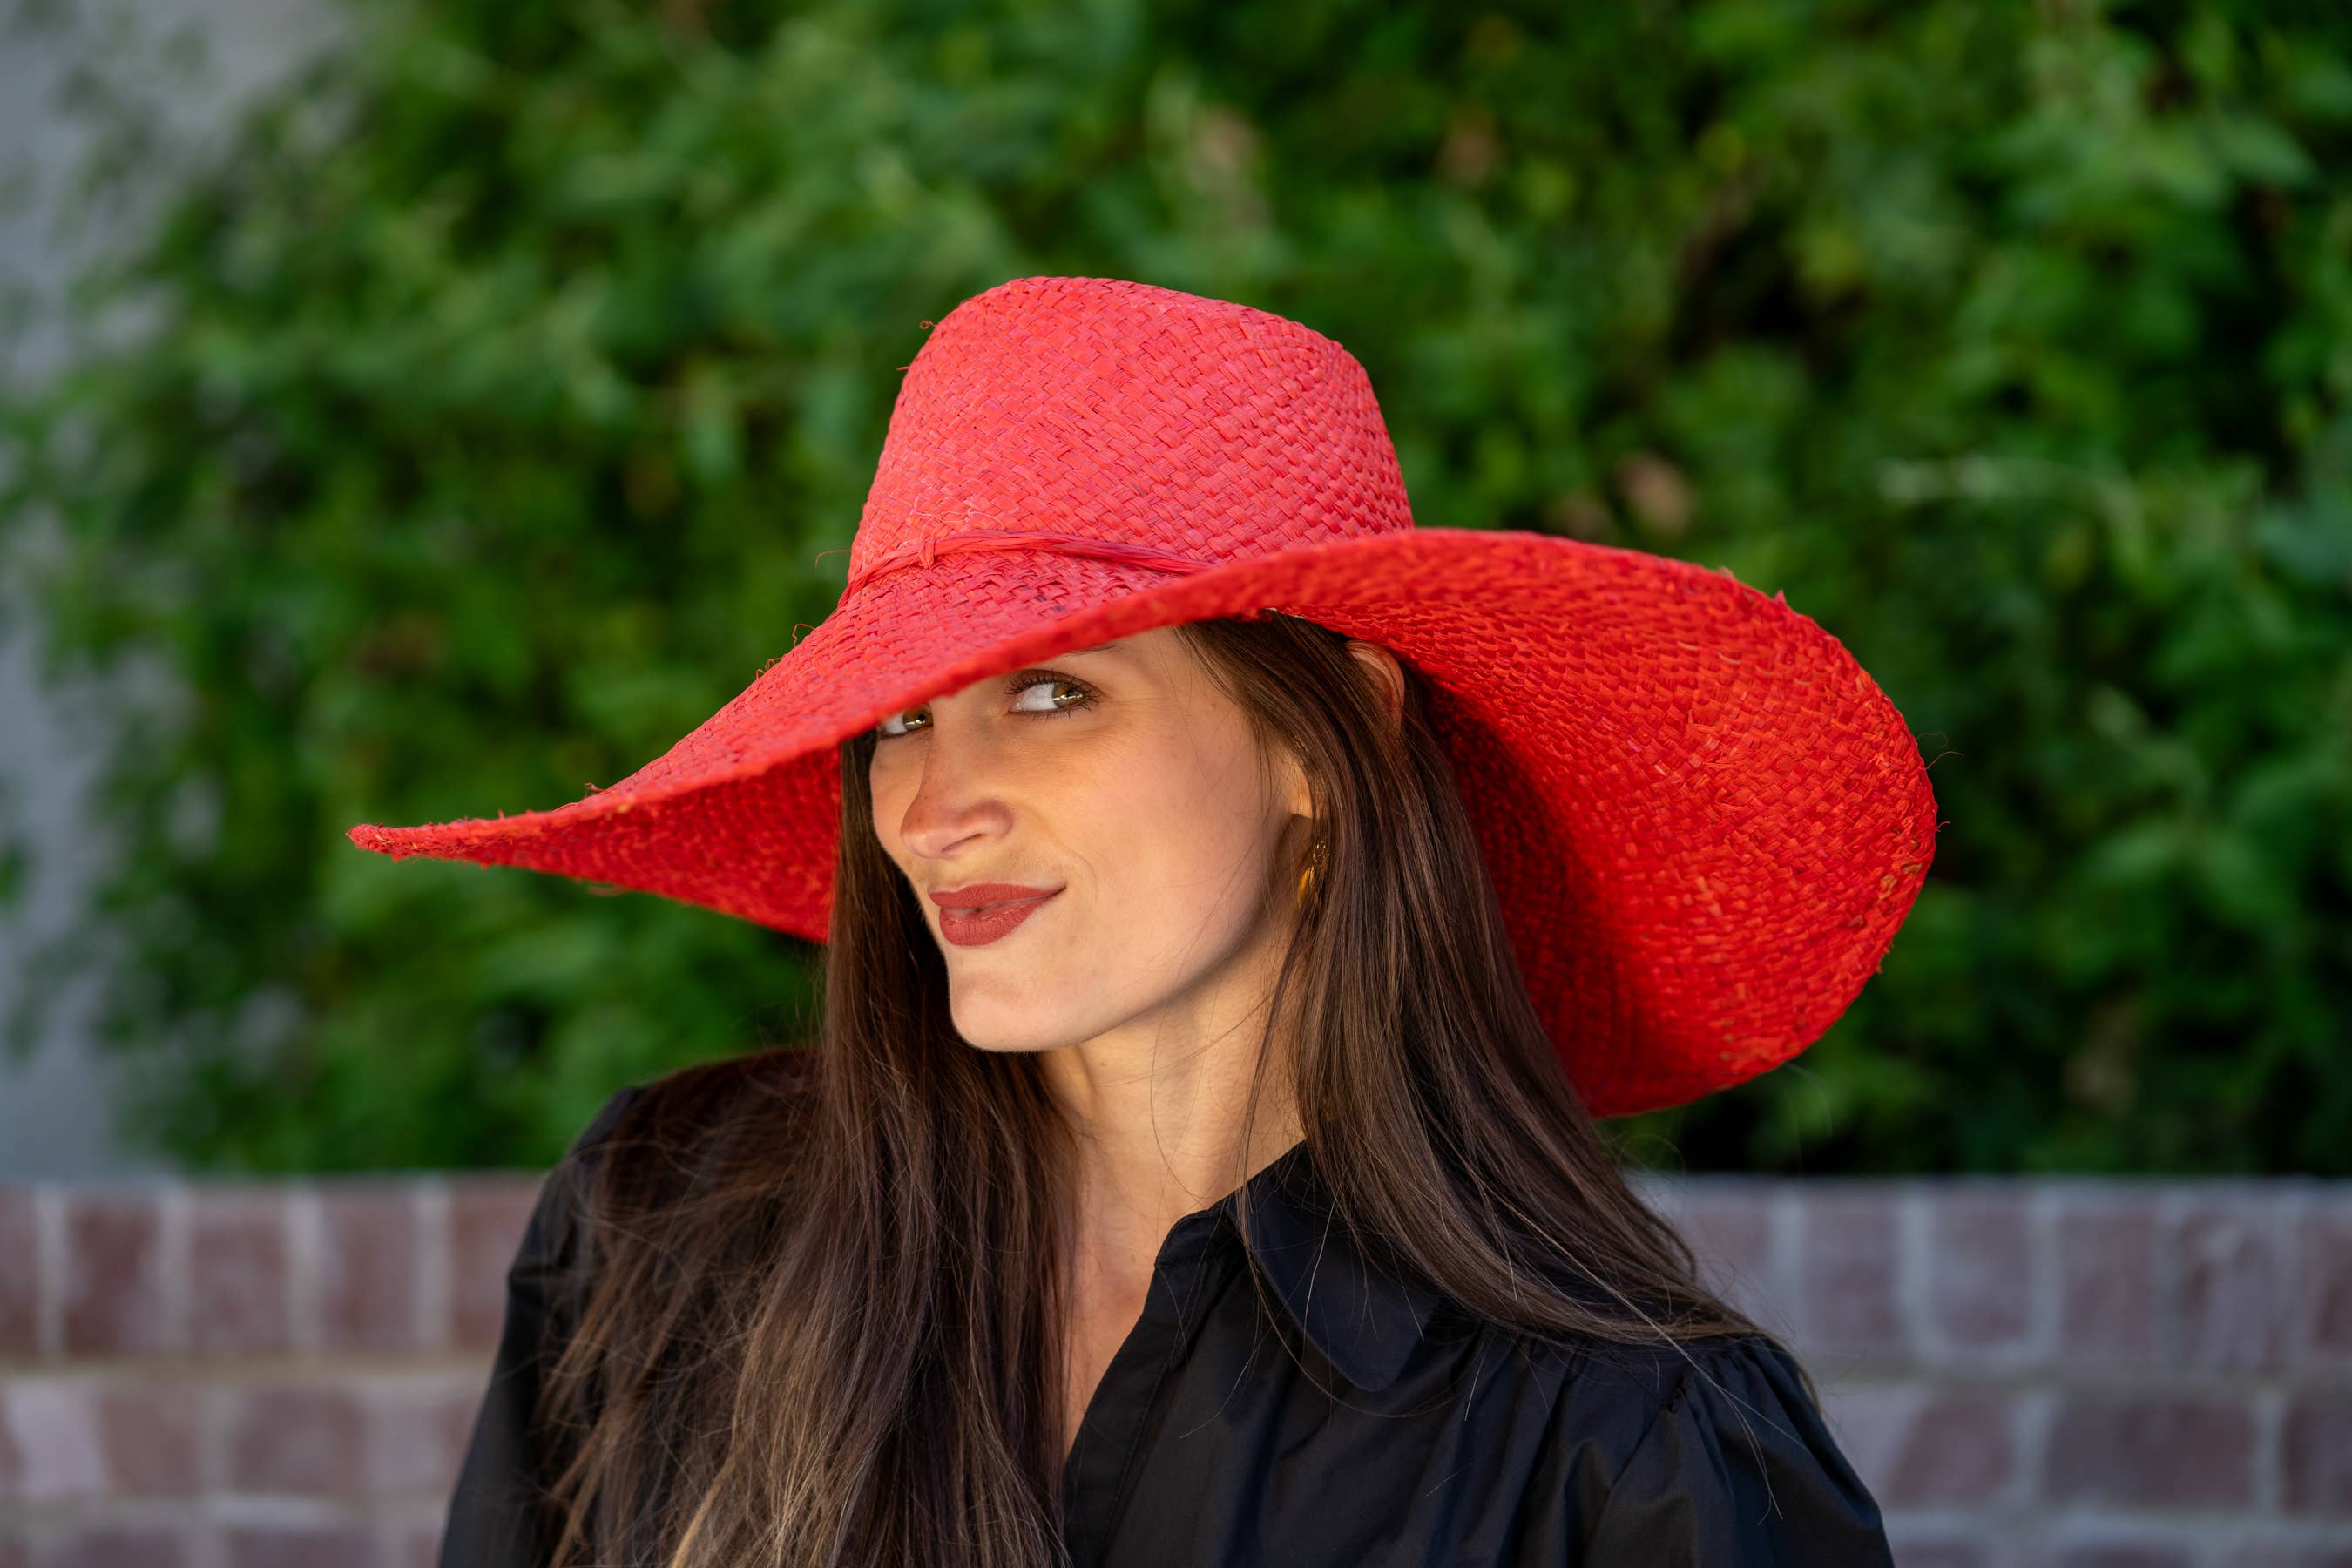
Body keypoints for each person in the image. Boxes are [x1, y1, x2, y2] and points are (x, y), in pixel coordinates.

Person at [350, 275, 1938, 1566]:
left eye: (1051, 693)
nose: (929, 805)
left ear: (1327, 743)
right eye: (900, 716)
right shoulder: (665, 1236)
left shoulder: (1620, 1448)